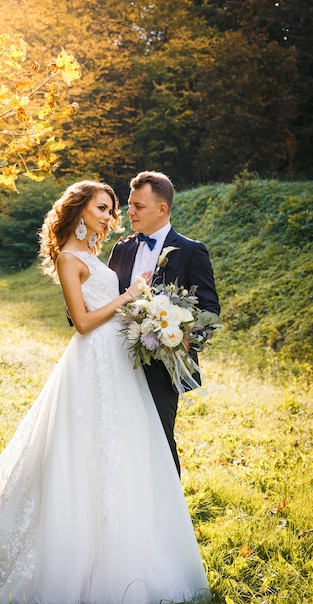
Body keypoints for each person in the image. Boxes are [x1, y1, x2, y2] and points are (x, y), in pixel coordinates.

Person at [0, 180, 211, 604]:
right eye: (102, 208)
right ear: (79, 209)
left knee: (124, 450)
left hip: (122, 362)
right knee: (81, 451)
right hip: (91, 362)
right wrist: (129, 296)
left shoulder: (95, 254)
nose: (110, 216)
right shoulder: (69, 257)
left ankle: (134, 538)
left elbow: (115, 305)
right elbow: (82, 321)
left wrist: (153, 319)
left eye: (112, 209)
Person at [109, 171, 220, 476]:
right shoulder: (122, 249)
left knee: (158, 438)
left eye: (138, 206)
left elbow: (209, 311)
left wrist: (182, 340)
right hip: (116, 360)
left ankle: (169, 517)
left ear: (162, 209)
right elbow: (106, 300)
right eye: (130, 204)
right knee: (117, 437)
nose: (129, 211)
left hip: (163, 366)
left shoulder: (191, 251)